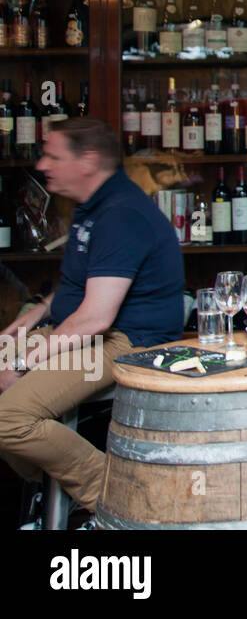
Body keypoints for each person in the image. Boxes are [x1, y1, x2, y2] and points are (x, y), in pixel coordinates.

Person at [0, 119, 183, 518]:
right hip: (80, 329)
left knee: (7, 419)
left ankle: (120, 502)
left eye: (53, 155)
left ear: (88, 161)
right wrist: (37, 312)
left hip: (123, 342)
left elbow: (95, 318)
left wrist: (21, 363)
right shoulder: (94, 206)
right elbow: (87, 281)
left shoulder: (122, 215)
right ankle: (48, 493)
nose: (43, 164)